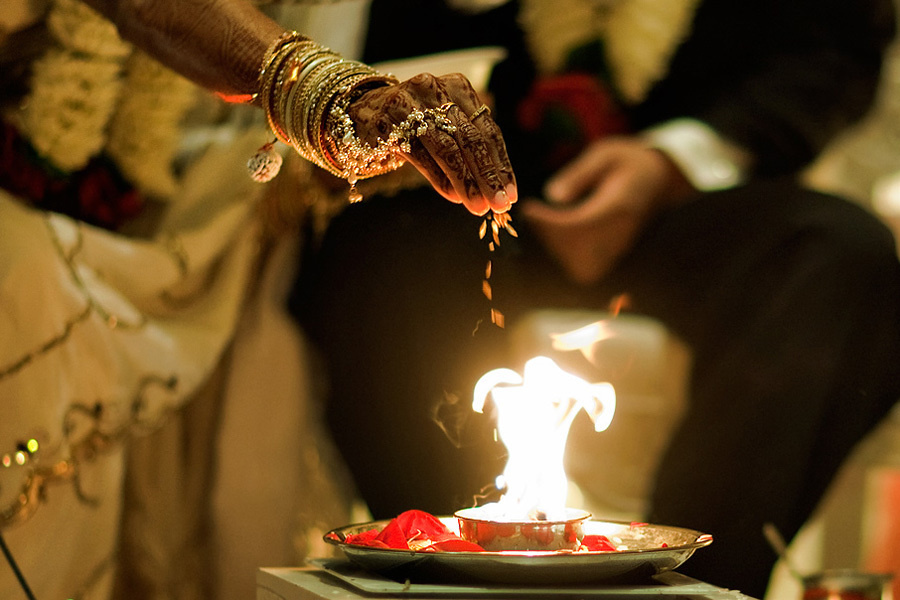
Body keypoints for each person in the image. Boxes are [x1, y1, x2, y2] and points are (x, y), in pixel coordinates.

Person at [294, 0, 900, 597]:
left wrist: (672, 162)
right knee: (374, 250)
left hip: (698, 201)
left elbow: (835, 49)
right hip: (486, 203)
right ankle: (442, 572)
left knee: (841, 253)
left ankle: (693, 585)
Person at [0, 0, 516, 598]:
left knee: (362, 290)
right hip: (35, 172)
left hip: (230, 202)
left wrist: (334, 149)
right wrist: (324, 94)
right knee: (28, 278)